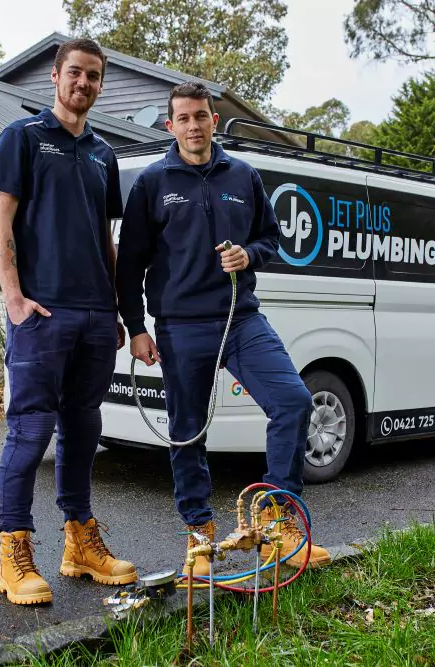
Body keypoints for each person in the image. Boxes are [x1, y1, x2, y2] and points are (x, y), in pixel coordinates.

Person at [115, 82, 331, 576]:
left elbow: (271, 239)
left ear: (214, 120)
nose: (194, 125)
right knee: (187, 433)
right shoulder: (152, 182)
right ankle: (199, 539)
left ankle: (279, 527)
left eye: (202, 116)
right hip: (179, 326)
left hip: (241, 317)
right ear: (171, 126)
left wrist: (248, 254)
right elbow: (128, 266)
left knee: (293, 401)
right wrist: (136, 327)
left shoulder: (244, 174)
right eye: (184, 118)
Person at [0, 38, 137, 606]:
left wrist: (119, 311)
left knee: (83, 431)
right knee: (30, 432)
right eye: (76, 73)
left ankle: (79, 543)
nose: (85, 83)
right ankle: (14, 552)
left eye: (94, 76)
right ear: (55, 77)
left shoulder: (103, 154)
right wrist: (15, 300)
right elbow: (0, 223)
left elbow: (105, 238)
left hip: (95, 317)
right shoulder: (21, 139)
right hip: (41, 314)